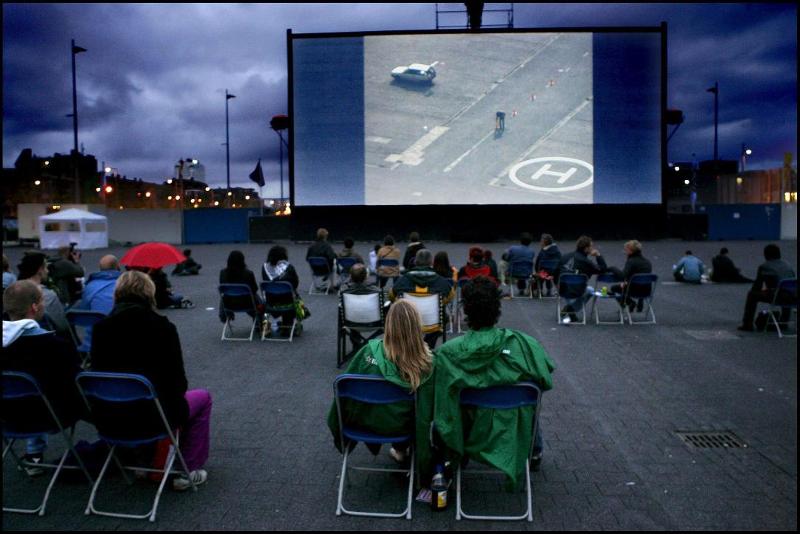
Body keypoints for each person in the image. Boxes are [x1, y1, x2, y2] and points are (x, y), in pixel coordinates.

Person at [90, 270, 212, 491]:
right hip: (153, 416)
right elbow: (178, 384)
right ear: (149, 294)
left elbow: (98, 374)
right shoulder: (163, 327)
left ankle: (145, 459)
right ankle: (187, 469)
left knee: (145, 396)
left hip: (110, 417)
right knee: (202, 398)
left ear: (117, 294)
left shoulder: (100, 329)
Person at [433, 276, 555, 490]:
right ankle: (534, 450)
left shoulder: (447, 353)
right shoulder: (526, 345)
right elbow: (545, 379)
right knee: (528, 394)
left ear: (467, 311)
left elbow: (441, 399)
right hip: (512, 431)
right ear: (498, 308)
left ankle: (446, 464)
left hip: (470, 432)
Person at [326, 299, 435, 488]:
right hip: (404, 428)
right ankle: (402, 450)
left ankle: (399, 450)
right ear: (418, 326)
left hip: (364, 424)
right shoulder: (427, 363)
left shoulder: (368, 352)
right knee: (405, 409)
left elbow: (343, 395)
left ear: (389, 324)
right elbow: (430, 410)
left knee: (385, 405)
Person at [2, 280, 86, 476]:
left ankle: (34, 454)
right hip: (48, 416)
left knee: (28, 392)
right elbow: (75, 381)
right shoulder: (53, 345)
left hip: (7, 417)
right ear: (34, 307)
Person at [390, 249, 456, 348]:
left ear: (416, 261)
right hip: (433, 324)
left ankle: (415, 347)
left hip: (408, 322)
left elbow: (392, 296)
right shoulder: (440, 281)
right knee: (444, 318)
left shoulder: (403, 280)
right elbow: (450, 296)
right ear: (431, 262)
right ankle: (427, 346)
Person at [738, 244, 796, 332]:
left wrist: (764, 290)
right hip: (793, 297)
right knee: (785, 291)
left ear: (766, 255)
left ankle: (747, 324)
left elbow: (757, 286)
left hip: (778, 297)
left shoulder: (765, 266)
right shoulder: (788, 265)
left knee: (752, 295)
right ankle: (784, 321)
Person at [17, 252, 71, 340]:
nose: (47, 271)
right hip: (45, 340)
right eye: (45, 267)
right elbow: (62, 325)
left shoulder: (13, 291)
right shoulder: (47, 295)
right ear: (40, 270)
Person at [75, 254, 123, 350]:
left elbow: (84, 311)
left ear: (100, 269)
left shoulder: (90, 287)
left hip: (92, 344)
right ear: (118, 267)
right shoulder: (124, 285)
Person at [558, 236, 608, 322]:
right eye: (591, 247)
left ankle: (570, 309)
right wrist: (598, 255)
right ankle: (571, 309)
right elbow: (603, 269)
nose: (592, 248)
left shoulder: (565, 256)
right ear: (586, 248)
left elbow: (555, 272)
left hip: (562, 290)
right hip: (578, 291)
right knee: (590, 289)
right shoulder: (586, 262)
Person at [261, 245, 302, 337]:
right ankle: (287, 327)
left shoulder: (264, 267)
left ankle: (265, 327)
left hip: (270, 302)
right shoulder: (289, 267)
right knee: (293, 297)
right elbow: (295, 284)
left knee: (268, 300)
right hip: (287, 302)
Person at [219, 250, 263, 327]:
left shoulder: (223, 273)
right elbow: (254, 289)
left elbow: (223, 288)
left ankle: (224, 316)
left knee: (224, 296)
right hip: (247, 303)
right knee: (261, 303)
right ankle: (261, 325)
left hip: (229, 304)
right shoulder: (248, 273)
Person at [607, 240, 653, 312]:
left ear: (631, 251)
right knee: (638, 282)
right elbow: (642, 278)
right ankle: (638, 301)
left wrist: (612, 268)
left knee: (613, 288)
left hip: (633, 290)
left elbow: (623, 276)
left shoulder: (631, 261)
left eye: (626, 250)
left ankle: (630, 303)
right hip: (646, 291)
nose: (625, 252)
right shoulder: (647, 262)